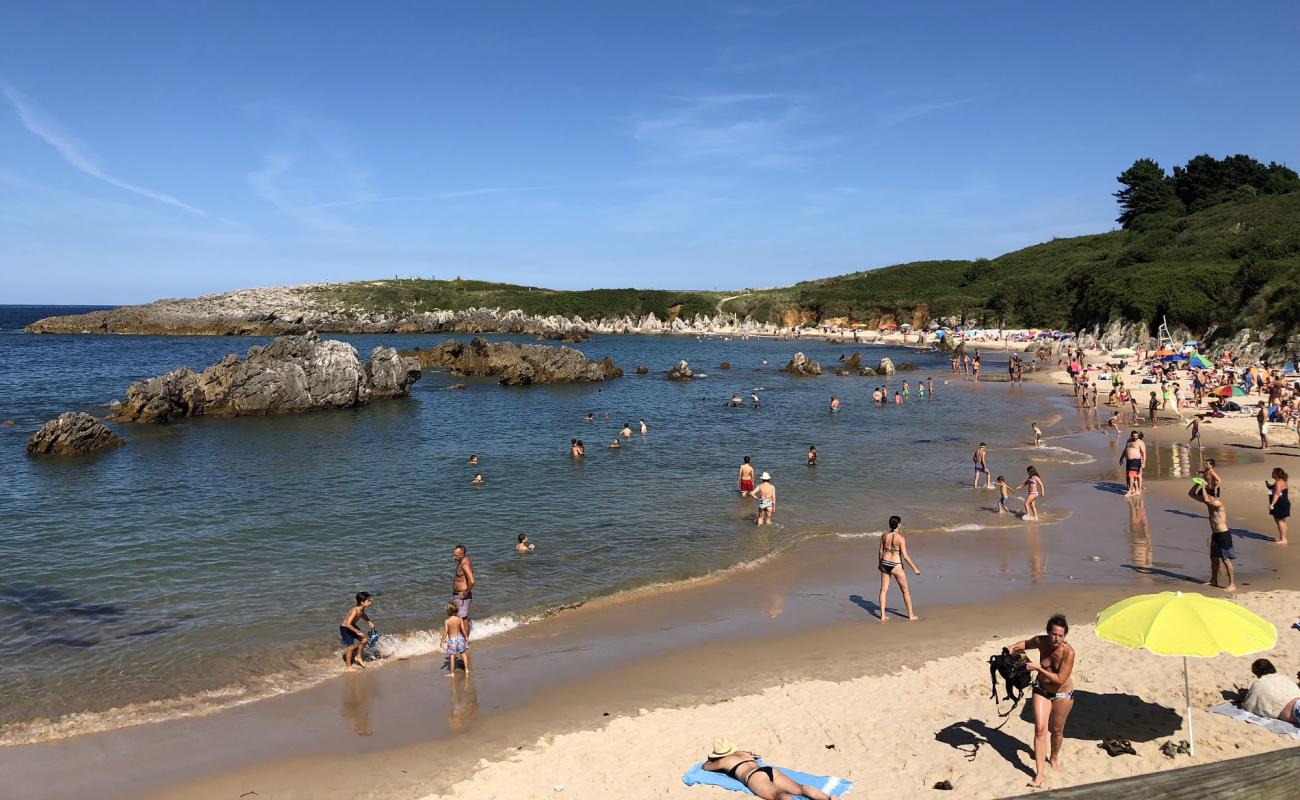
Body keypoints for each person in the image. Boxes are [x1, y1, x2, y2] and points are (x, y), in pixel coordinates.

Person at [1009, 615, 1076, 789]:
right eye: (1054, 634)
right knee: (1040, 730)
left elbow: (1060, 679)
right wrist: (1012, 648)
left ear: (1065, 636)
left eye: (1060, 635)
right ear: (1049, 632)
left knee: (1057, 731)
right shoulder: (1041, 641)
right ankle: (1039, 774)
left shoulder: (1068, 652)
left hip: (1063, 694)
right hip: (1041, 690)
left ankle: (1053, 758)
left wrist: (1037, 668)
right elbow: (1024, 644)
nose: (1056, 639)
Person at [701, 739, 840, 800]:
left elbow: (706, 767)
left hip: (754, 777)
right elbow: (755, 755)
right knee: (800, 789)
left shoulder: (724, 760)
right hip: (769, 770)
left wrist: (713, 760)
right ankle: (828, 798)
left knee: (778, 795)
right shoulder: (744, 753)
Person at [1189, 479, 1235, 592]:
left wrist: (1203, 486)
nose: (1203, 501)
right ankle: (1214, 580)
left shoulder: (1218, 503)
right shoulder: (1208, 501)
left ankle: (1232, 584)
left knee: (1226, 560)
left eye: (1205, 498)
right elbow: (1191, 494)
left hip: (1223, 534)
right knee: (1213, 557)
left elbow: (1206, 499)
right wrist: (1198, 483)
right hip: (1215, 534)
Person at [877, 515, 920, 622]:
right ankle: (910, 615)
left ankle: (882, 616)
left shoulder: (884, 535)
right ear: (898, 525)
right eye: (900, 523)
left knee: (883, 590)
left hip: (885, 563)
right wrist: (915, 568)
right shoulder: (900, 538)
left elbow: (881, 551)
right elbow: (905, 556)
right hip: (896, 565)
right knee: (905, 590)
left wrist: (880, 564)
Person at [1240, 659, 1300, 725]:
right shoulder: (1283, 677)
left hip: (1295, 711)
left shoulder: (1259, 684)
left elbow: (1249, 705)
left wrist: (1246, 696)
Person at [339, 591, 375, 672]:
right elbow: (348, 624)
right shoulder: (355, 610)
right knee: (351, 647)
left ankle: (358, 656)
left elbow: (363, 615)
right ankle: (348, 666)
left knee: (364, 640)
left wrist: (369, 621)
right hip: (345, 628)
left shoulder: (362, 608)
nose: (370, 602)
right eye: (368, 601)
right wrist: (357, 632)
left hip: (352, 626)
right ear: (362, 602)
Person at [451, 545, 475, 638]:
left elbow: (472, 581)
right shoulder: (463, 561)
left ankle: (465, 640)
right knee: (461, 618)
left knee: (463, 619)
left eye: (456, 555)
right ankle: (463, 638)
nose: (454, 557)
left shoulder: (465, 563)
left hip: (462, 596)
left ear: (463, 554)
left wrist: (465, 593)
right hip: (459, 596)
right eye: (453, 555)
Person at [442, 601, 470, 675]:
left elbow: (445, 632)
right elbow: (463, 629)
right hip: (460, 638)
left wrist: (442, 640)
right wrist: (466, 637)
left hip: (452, 640)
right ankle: (466, 669)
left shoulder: (447, 621)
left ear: (448, 611)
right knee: (463, 653)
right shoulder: (460, 619)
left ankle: (452, 673)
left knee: (452, 656)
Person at [1267, 467, 1290, 545]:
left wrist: (1272, 504)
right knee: (1280, 521)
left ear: (1276, 474)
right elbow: (1276, 489)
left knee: (1280, 521)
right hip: (1284, 503)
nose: (1272, 474)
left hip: (1280, 503)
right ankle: (1282, 537)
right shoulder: (1283, 480)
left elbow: (1277, 494)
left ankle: (1284, 539)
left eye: (1273, 473)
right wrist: (1269, 486)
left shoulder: (1278, 482)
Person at [1121, 432, 1143, 497]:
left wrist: (1142, 462)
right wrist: (1121, 457)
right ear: (1131, 436)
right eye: (1133, 436)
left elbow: (1143, 453)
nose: (1135, 437)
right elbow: (1125, 450)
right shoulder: (1128, 441)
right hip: (1129, 461)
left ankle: (1133, 490)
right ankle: (1135, 490)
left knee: (1134, 476)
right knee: (1130, 475)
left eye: (1136, 436)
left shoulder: (1140, 442)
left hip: (1136, 460)